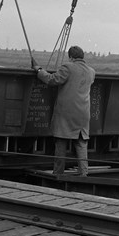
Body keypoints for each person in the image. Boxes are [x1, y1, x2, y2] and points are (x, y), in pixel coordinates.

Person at [35, 45, 95, 176]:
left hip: (66, 113)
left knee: (61, 141)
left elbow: (52, 80)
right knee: (81, 142)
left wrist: (39, 70)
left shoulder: (68, 67)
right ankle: (84, 173)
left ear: (71, 57)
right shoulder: (91, 71)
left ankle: (58, 173)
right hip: (83, 113)